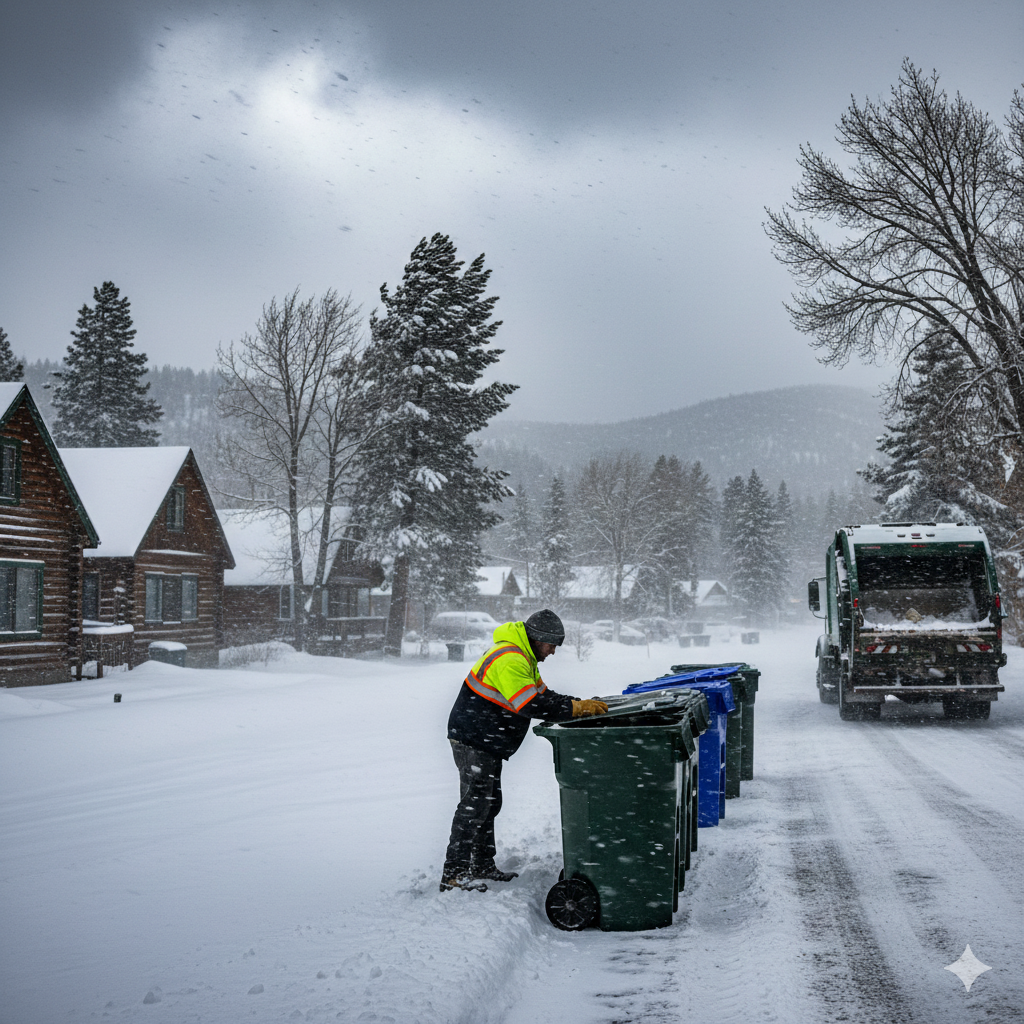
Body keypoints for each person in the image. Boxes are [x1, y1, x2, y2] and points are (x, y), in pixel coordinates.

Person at [440, 609, 608, 892]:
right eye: (552, 644)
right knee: (476, 803)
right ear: (538, 638)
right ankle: (454, 874)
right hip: (473, 738)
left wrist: (577, 703)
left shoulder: (524, 658)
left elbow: (544, 695)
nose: (553, 651)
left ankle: (481, 864)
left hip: (486, 739)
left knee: (489, 802)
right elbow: (530, 704)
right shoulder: (510, 659)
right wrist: (574, 709)